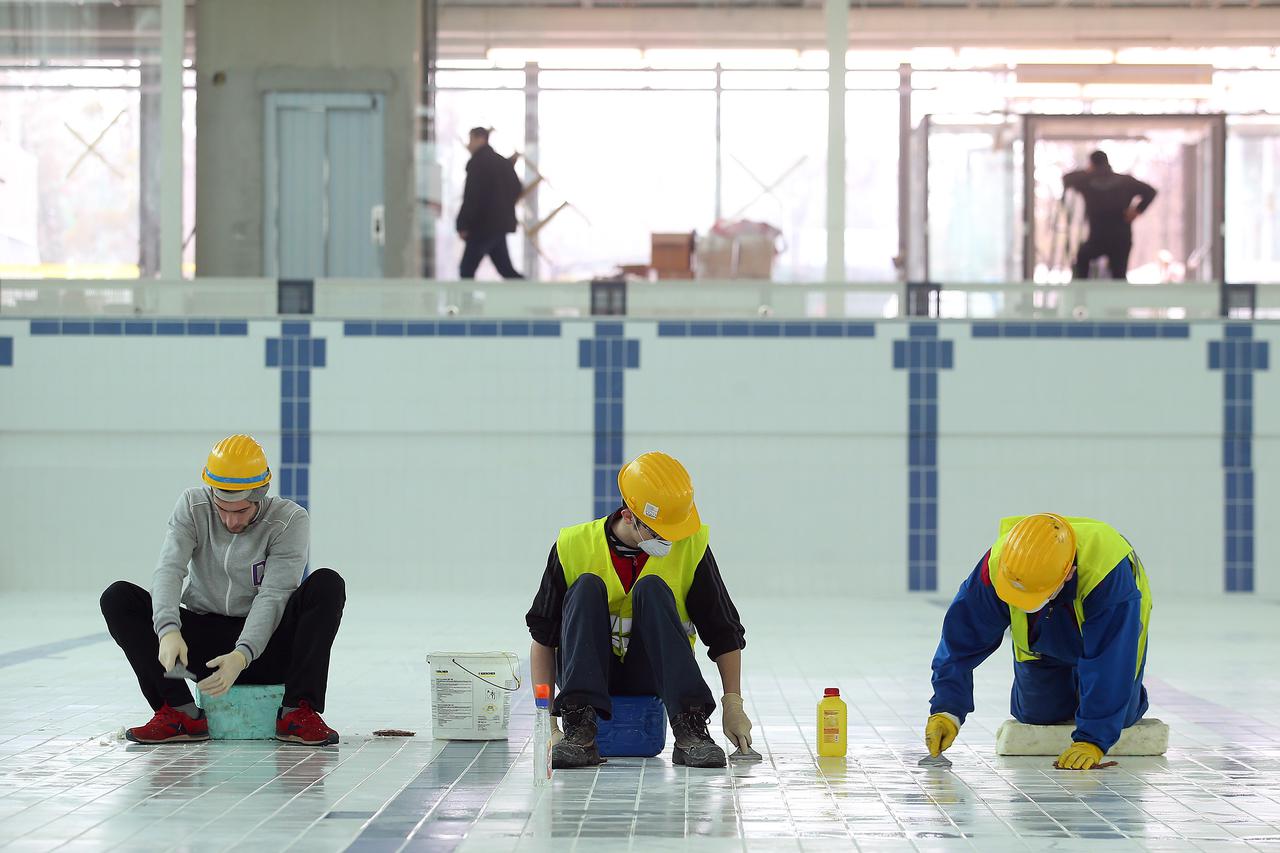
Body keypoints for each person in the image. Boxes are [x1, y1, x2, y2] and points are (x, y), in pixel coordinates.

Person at [100, 435, 346, 746]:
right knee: (118, 597)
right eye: (222, 508)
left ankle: (297, 712)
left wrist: (242, 656)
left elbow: (273, 595)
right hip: (203, 647)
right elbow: (169, 570)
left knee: (327, 583)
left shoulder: (289, 520)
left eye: (241, 511)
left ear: (259, 495)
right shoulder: (193, 506)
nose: (230, 520)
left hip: (267, 648)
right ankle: (180, 713)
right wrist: (167, 630)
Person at [526, 452, 754, 769]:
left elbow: (724, 632)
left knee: (653, 588)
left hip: (652, 674)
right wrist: (547, 724)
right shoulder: (573, 545)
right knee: (587, 586)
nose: (671, 541)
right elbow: (543, 638)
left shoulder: (691, 545)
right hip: (585, 674)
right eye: (661, 532)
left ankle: (690, 731)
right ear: (630, 514)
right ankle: (579, 733)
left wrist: (733, 704)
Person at [925, 514, 1153, 770]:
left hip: (1108, 626)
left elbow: (1111, 662)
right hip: (1041, 640)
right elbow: (960, 640)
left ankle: (1130, 697)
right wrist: (947, 710)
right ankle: (1077, 691)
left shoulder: (1108, 574)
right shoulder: (1002, 565)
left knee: (1119, 714)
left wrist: (1094, 740)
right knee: (1037, 715)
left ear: (1068, 574)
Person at [1064, 150, 1157, 281]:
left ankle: (1081, 297)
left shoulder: (1087, 181)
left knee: (1082, 260)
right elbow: (1150, 191)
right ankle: (1118, 301)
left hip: (1098, 238)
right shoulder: (1125, 181)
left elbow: (1067, 178)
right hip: (1121, 238)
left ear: (1091, 164)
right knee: (1119, 277)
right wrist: (1137, 210)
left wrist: (1089, 172)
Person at [457, 127, 524, 280]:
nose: (469, 145)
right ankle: (533, 299)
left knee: (466, 270)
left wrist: (462, 224)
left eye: (471, 140)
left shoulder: (477, 163)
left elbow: (472, 196)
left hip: (482, 226)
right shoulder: (503, 163)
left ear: (480, 139)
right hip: (499, 226)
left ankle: (468, 304)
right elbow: (517, 188)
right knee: (506, 270)